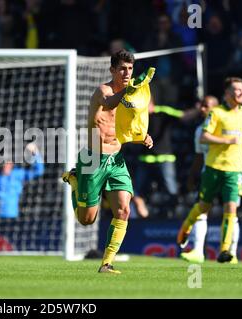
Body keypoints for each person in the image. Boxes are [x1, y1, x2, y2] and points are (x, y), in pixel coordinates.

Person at [62, 50, 154, 274]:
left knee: (123, 209)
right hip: (93, 158)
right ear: (112, 70)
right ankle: (75, 181)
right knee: (86, 220)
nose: (126, 73)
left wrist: (142, 136)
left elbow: (132, 122)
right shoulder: (102, 91)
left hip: (116, 159)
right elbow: (110, 104)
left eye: (130, 69)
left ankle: (106, 263)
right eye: (122, 68)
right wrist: (128, 92)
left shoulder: (132, 94)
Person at [176, 77, 242, 263]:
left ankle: (225, 251)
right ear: (227, 94)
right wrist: (226, 141)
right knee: (204, 206)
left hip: (234, 170)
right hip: (213, 168)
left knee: (231, 209)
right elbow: (204, 136)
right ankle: (186, 226)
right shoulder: (217, 113)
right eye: (237, 90)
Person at [132, 97, 200, 218]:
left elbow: (184, 116)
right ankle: (143, 215)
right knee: (136, 191)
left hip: (165, 158)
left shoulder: (163, 111)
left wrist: (197, 110)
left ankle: (174, 216)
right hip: (145, 159)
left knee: (172, 190)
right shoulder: (136, 116)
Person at [0, 140, 44, 218]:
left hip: (12, 218)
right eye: (3, 163)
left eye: (8, 163)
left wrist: (35, 153)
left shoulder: (18, 174)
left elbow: (38, 171)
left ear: (12, 164)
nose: (5, 165)